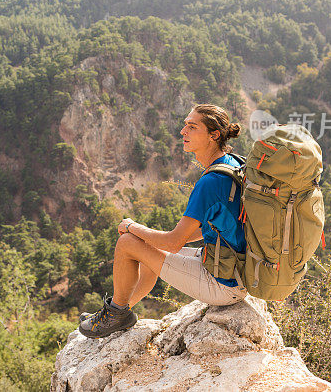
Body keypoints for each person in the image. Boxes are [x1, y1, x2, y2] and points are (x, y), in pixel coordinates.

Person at [79, 103, 246, 339]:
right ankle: (118, 311)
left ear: (214, 135)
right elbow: (219, 226)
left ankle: (116, 313)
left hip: (222, 285)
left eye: (192, 127)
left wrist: (132, 227)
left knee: (127, 242)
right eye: (185, 125)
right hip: (234, 269)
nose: (183, 132)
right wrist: (154, 239)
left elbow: (175, 243)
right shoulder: (233, 164)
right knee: (147, 246)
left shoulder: (211, 182)